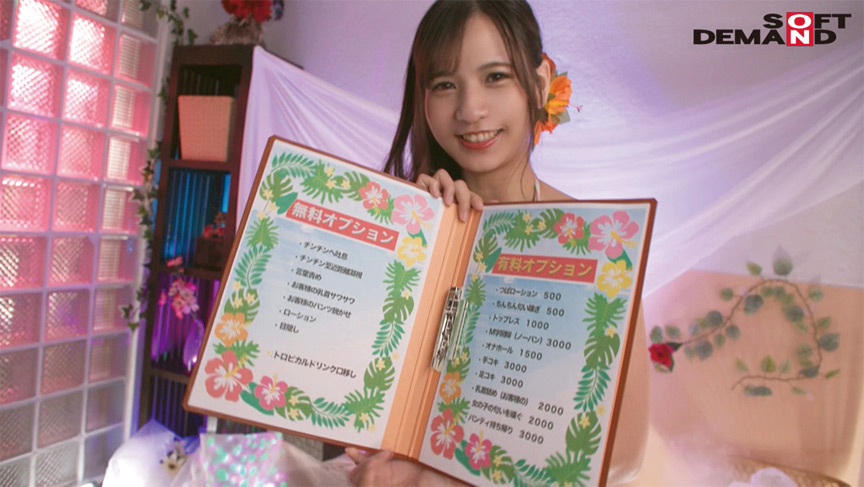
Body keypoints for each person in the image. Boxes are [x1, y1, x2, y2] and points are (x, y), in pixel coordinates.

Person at [348, 0, 650, 484]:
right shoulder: (403, 227)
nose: (470, 110)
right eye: (444, 84)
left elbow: (623, 455)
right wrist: (421, 243)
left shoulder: (598, 244)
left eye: (495, 77)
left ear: (540, 82)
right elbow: (366, 397)